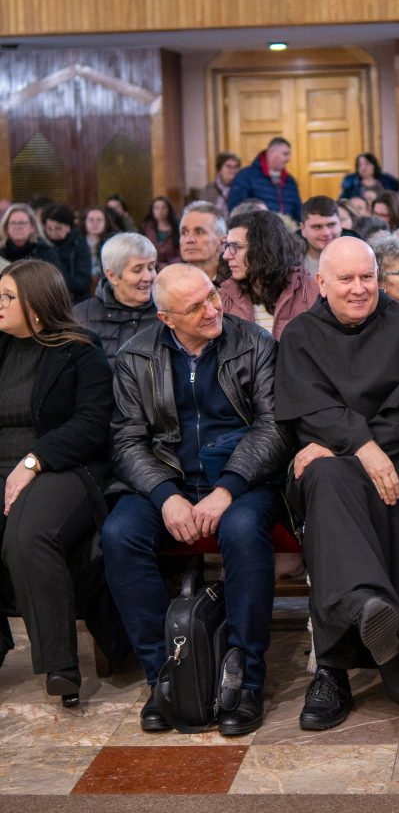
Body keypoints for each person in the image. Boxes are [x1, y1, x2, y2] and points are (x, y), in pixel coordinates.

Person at [275, 237, 399, 729]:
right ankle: (360, 617)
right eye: (345, 279)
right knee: (322, 478)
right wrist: (361, 447)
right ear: (322, 283)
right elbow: (308, 412)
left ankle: (336, 661)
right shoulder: (300, 335)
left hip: (398, 466)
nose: (359, 288)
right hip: (343, 467)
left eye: (367, 277)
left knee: (334, 481)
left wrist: (366, 449)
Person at [102, 264, 292, 735]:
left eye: (212, 295)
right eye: (195, 307)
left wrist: (228, 487)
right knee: (119, 534)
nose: (212, 310)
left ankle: (246, 678)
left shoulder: (254, 344)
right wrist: (165, 496)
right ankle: (166, 677)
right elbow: (127, 441)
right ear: (166, 318)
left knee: (242, 529)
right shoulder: (135, 355)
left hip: (243, 479)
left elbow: (274, 428)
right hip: (168, 477)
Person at [0, 260, 113, 705]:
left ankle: (61, 667)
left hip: (61, 466)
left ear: (36, 305)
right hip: (5, 465)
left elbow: (91, 424)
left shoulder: (80, 351)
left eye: (8, 297)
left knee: (28, 536)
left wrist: (34, 461)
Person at [219, 210, 319, 339]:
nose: (226, 255)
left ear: (264, 248)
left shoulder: (309, 290)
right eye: (227, 245)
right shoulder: (225, 297)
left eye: (236, 246)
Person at [74, 233, 158, 369]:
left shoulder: (166, 313)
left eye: (151, 267)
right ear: (112, 275)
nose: (148, 277)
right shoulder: (82, 315)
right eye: (137, 270)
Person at [228, 137, 302, 223]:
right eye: (285, 154)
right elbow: (236, 210)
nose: (288, 158)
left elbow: (298, 212)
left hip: (288, 229)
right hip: (257, 228)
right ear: (271, 153)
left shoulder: (290, 181)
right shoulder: (245, 176)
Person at [43, 204, 92, 304]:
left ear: (68, 227)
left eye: (58, 228)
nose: (52, 232)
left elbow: (83, 283)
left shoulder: (78, 245)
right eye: (49, 228)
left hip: (74, 300)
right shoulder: (42, 246)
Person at [0, 204, 60, 270]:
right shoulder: (1, 253)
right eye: (13, 223)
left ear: (32, 227)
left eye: (22, 223)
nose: (17, 227)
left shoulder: (46, 253)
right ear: (6, 227)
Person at [179, 201, 225, 283]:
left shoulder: (239, 284)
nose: (189, 240)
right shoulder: (170, 283)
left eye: (199, 232)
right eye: (184, 232)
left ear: (222, 241)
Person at [300, 196, 342, 275]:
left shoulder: (359, 259)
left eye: (331, 225)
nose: (326, 233)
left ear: (340, 225)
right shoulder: (289, 267)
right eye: (317, 227)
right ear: (303, 229)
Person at [141, 195, 180, 269]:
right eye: (156, 208)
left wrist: (169, 265)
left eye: (164, 207)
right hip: (151, 267)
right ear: (152, 210)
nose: (160, 211)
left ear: (169, 210)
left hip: (173, 267)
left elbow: (180, 253)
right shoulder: (146, 228)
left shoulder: (177, 228)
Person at [197, 152, 241, 218]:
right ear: (220, 168)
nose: (233, 170)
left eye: (236, 167)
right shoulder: (208, 190)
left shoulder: (243, 188)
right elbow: (201, 213)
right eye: (228, 166)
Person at [83, 206, 120, 280]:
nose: (95, 223)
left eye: (99, 220)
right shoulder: (76, 242)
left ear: (106, 222)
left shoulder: (114, 242)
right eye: (91, 220)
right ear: (84, 222)